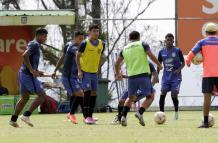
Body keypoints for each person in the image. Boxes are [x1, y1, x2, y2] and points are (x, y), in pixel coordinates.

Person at [115, 30, 162, 126]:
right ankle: (139, 112)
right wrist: (158, 64)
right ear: (139, 37)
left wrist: (118, 73)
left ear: (129, 38)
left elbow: (117, 64)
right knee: (151, 96)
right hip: (143, 75)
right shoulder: (142, 44)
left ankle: (123, 116)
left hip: (132, 77)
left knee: (130, 98)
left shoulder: (124, 48)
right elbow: (151, 55)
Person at [9, 28, 48, 128]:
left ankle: (13, 120)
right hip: (27, 75)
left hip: (23, 74)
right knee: (42, 95)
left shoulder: (34, 44)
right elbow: (25, 55)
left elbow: (29, 59)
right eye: (44, 36)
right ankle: (26, 115)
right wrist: (31, 70)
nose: (45, 38)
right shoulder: (34, 44)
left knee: (24, 98)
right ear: (38, 35)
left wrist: (37, 71)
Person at [186, 22, 218, 128]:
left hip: (208, 75)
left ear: (206, 32)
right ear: (216, 32)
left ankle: (205, 123)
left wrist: (188, 62)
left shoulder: (202, 42)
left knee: (207, 99)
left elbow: (191, 54)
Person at [52, 31, 85, 124]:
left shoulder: (69, 45)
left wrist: (55, 70)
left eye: (83, 39)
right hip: (68, 76)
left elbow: (62, 57)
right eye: (80, 39)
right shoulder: (73, 47)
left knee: (77, 95)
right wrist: (55, 70)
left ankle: (83, 115)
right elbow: (75, 56)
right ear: (74, 38)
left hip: (74, 76)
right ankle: (74, 114)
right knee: (79, 94)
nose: (81, 41)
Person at [76, 24, 105, 124]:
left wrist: (99, 67)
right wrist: (79, 71)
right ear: (89, 32)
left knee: (94, 93)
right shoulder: (84, 43)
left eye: (97, 31)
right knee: (87, 92)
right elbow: (77, 56)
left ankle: (90, 116)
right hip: (85, 72)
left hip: (94, 73)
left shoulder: (102, 44)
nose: (96, 33)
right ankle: (86, 116)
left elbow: (101, 56)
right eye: (94, 31)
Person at [157, 33, 185, 120]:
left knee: (174, 94)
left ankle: (176, 111)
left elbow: (183, 63)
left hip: (176, 77)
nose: (169, 41)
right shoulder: (161, 52)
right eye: (167, 40)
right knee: (163, 93)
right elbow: (159, 64)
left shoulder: (177, 50)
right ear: (165, 41)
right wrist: (156, 75)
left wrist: (179, 69)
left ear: (173, 41)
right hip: (166, 76)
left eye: (171, 40)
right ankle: (161, 114)